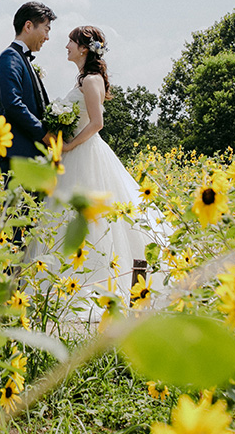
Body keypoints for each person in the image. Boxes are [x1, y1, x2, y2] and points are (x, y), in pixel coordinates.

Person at [34, 25, 168, 317]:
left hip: (85, 154)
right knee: (63, 217)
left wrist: (69, 145)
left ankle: (92, 288)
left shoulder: (92, 80)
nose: (66, 46)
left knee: (90, 220)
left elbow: (96, 124)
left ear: (83, 48)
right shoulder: (82, 79)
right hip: (72, 156)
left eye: (70, 41)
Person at [0, 1, 56, 181]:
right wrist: (43, 134)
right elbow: (12, 104)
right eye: (46, 29)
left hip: (32, 155)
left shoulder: (23, 58)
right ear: (28, 26)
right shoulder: (10, 57)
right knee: (18, 209)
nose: (47, 37)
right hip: (18, 154)